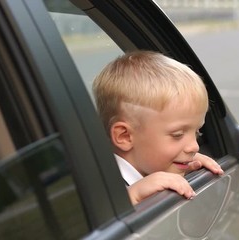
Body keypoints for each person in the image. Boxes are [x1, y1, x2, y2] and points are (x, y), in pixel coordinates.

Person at [92, 50, 224, 205]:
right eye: (177, 134)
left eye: (197, 132)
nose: (194, 147)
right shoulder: (99, 190)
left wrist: (182, 168)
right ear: (125, 136)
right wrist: (132, 198)